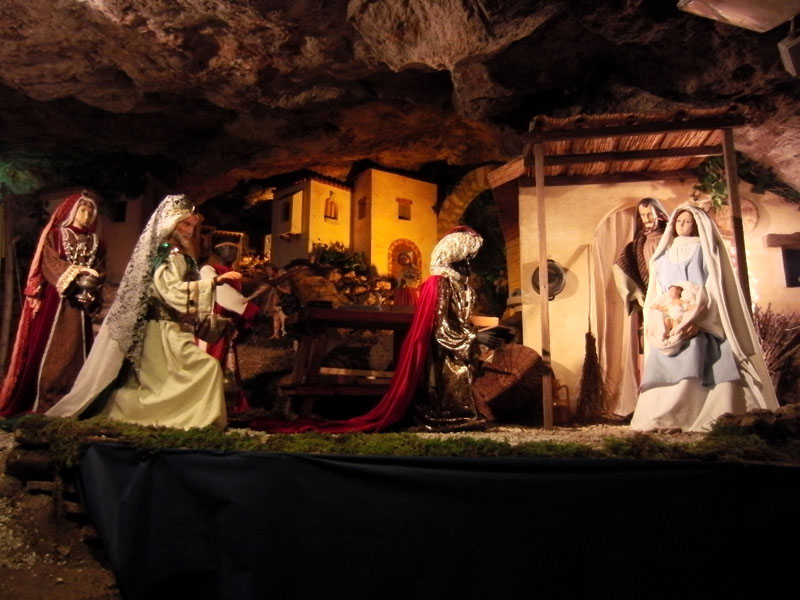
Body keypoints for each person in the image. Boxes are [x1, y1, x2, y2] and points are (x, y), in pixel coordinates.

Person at [248, 225, 504, 433]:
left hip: (457, 348)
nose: (469, 263)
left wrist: (477, 337)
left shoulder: (460, 286)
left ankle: (460, 414)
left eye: (471, 258)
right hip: (443, 353)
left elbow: (457, 322)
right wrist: (475, 337)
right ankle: (446, 416)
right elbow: (440, 328)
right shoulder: (439, 284)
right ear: (454, 255)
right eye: (466, 257)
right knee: (453, 375)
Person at [47, 194, 240, 429]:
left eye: (193, 225)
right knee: (204, 369)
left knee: (198, 371)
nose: (190, 230)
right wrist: (214, 283)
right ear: (171, 222)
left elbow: (184, 293)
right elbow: (171, 290)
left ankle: (193, 419)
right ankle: (183, 419)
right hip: (159, 332)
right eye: (185, 224)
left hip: (175, 330)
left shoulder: (179, 255)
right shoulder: (164, 255)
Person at [630, 204, 778, 432]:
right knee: (662, 357)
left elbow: (714, 288)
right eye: (679, 221)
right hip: (672, 321)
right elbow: (659, 291)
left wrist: (697, 317)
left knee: (702, 349)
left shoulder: (705, 251)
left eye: (687, 221)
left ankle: (704, 411)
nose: (682, 225)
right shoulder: (662, 257)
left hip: (700, 318)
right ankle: (667, 416)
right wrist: (665, 318)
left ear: (696, 224)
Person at [0, 191, 105, 416]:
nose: (86, 215)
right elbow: (49, 262)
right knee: (51, 347)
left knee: (78, 347)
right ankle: (45, 397)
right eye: (82, 210)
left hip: (82, 303)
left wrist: (94, 285)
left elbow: (99, 268)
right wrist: (76, 272)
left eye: (90, 212)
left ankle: (74, 397)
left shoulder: (96, 241)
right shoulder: (56, 236)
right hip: (57, 301)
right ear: (73, 212)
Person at [199, 242, 268, 412]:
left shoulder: (234, 275)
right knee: (211, 360)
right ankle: (205, 404)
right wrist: (249, 309)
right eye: (228, 249)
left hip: (228, 325)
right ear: (218, 253)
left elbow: (237, 297)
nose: (233, 252)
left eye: (235, 250)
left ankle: (227, 403)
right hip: (214, 325)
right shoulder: (209, 270)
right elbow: (223, 295)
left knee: (227, 364)